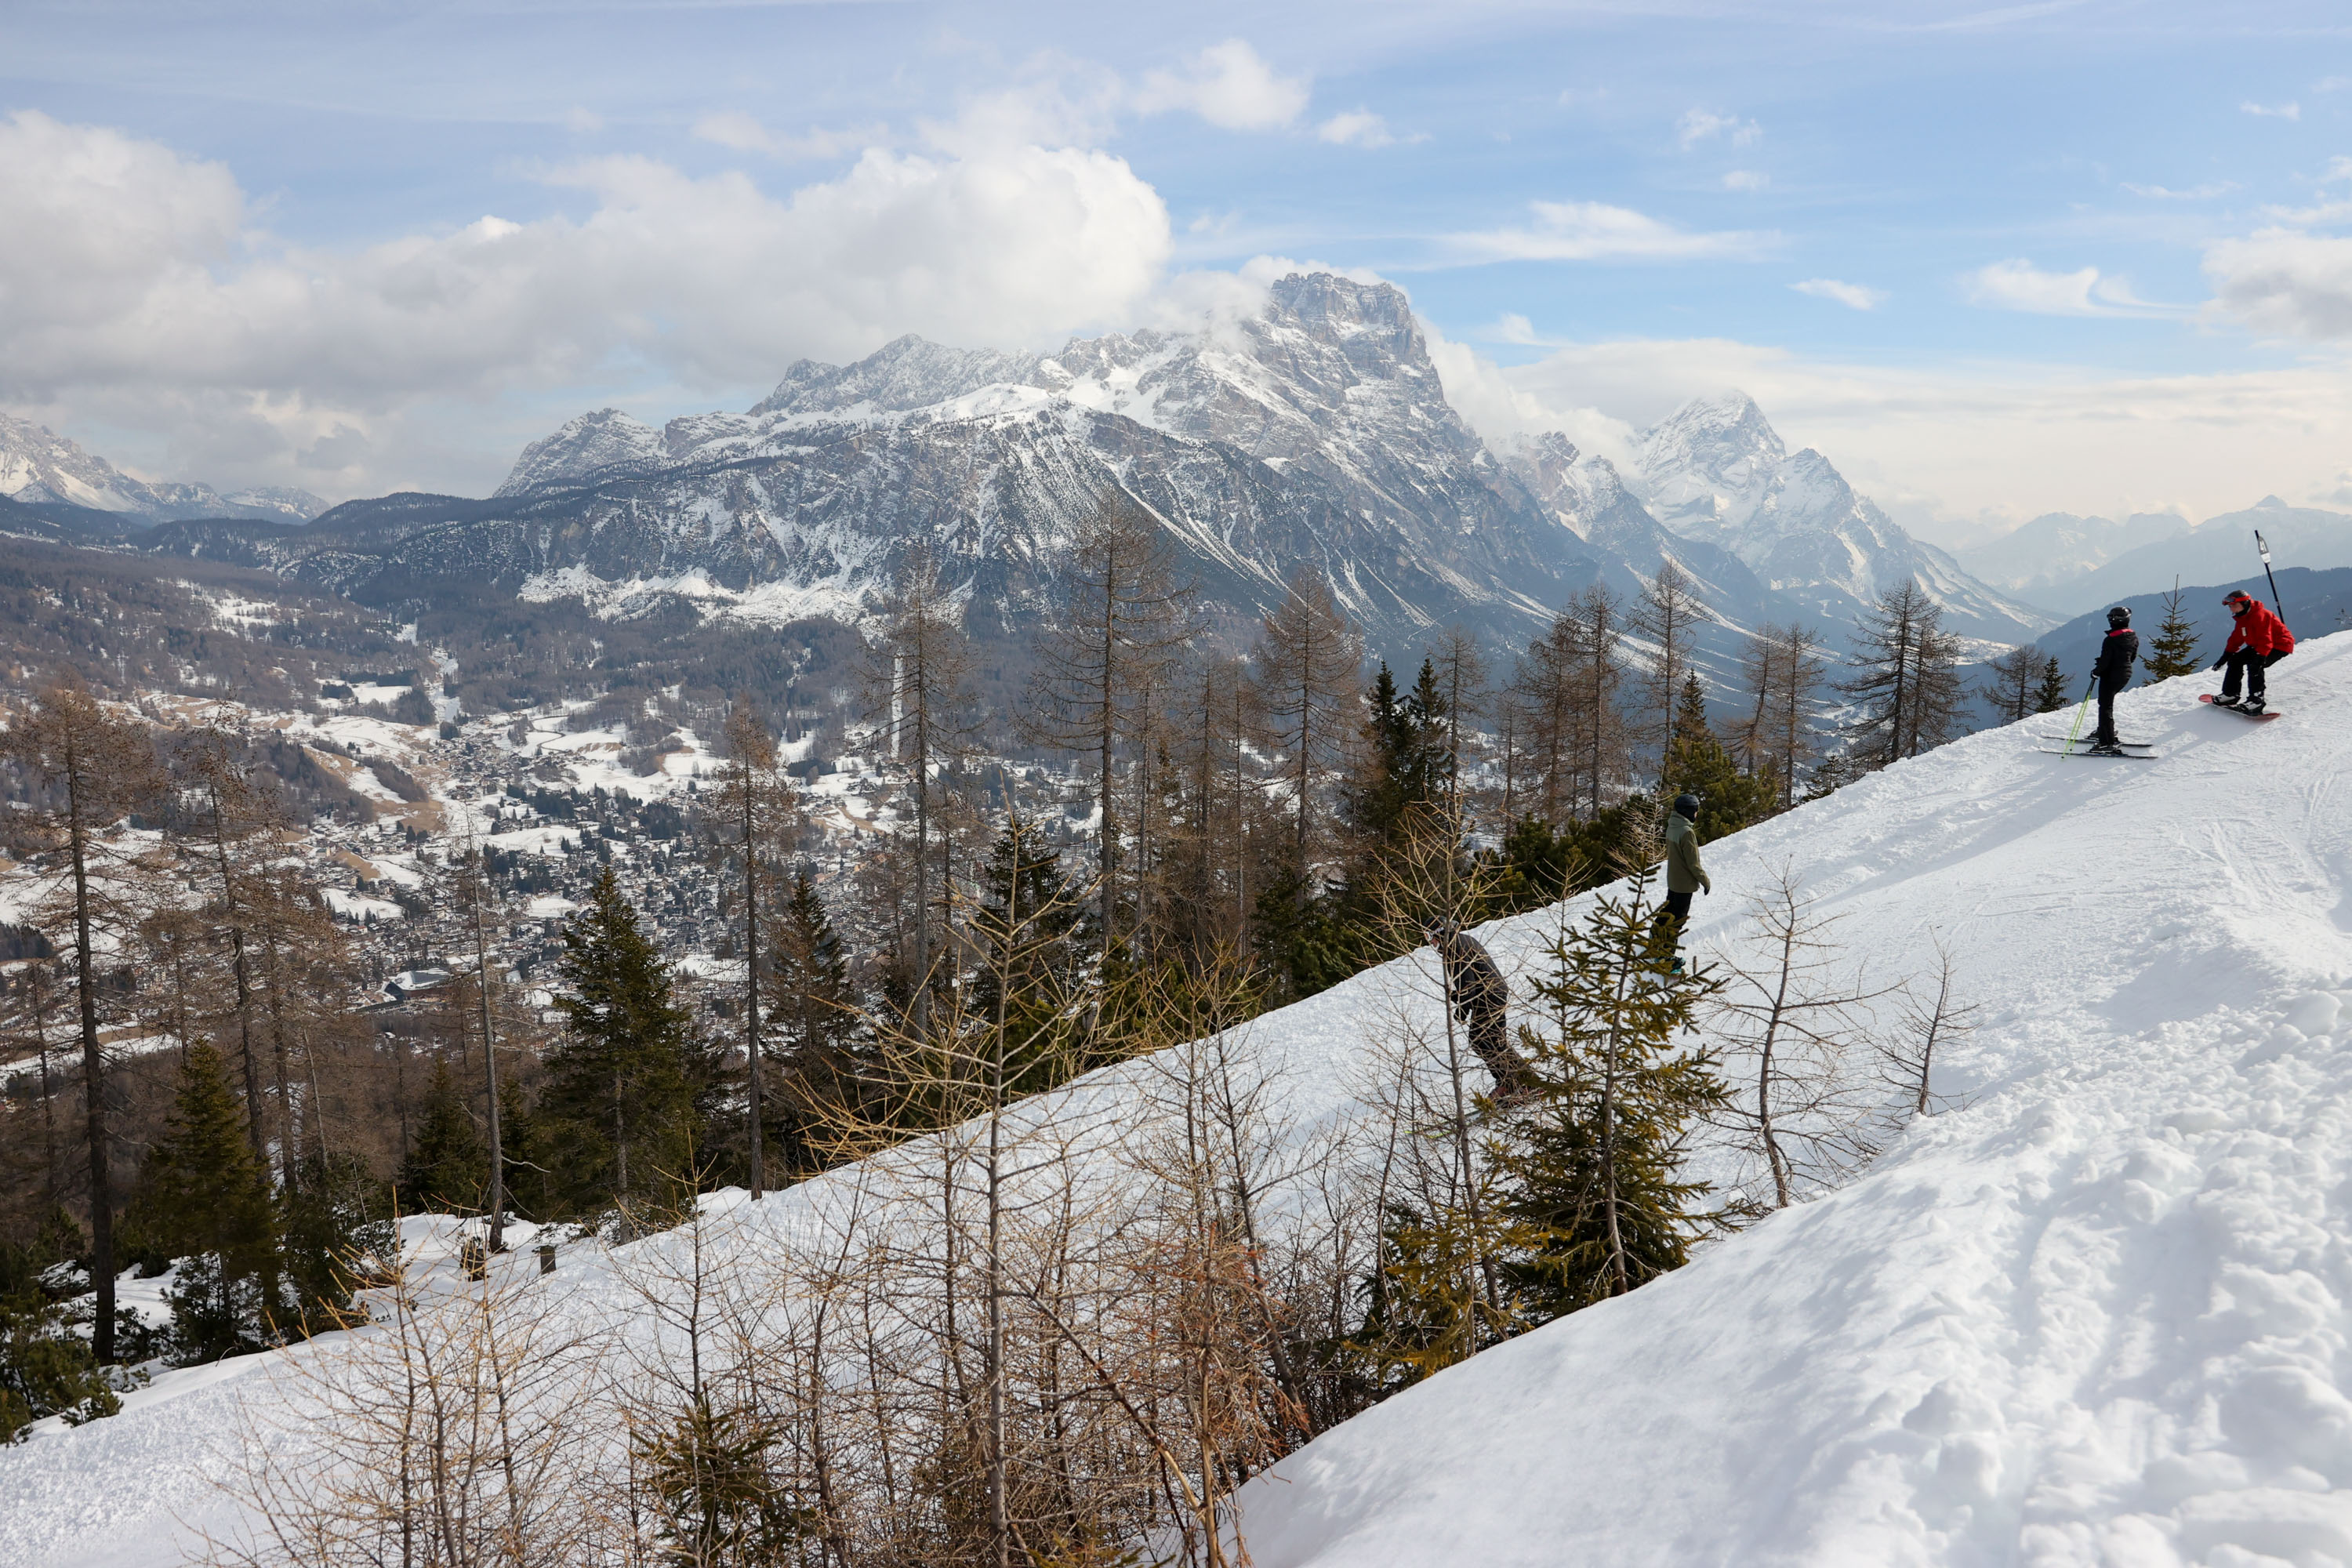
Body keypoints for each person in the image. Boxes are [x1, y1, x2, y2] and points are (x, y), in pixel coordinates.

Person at [1428, 922, 1534, 1100]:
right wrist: (1456, 998)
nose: (1430, 942)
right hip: (1488, 995)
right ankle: (1509, 1081)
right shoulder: (1459, 943)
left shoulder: (1456, 949)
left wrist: (1461, 1012)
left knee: (1488, 1040)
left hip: (1489, 995)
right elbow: (1469, 986)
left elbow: (1468, 988)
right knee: (1485, 1040)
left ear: (1439, 934)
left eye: (1430, 937)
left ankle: (1524, 1082)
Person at [2213, 589, 2294, 713]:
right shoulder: (2242, 617)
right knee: (2235, 660)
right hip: (2259, 644)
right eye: (2230, 606)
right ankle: (2230, 694)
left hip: (2280, 645)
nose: (2231, 608)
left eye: (2234, 605)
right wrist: (2226, 656)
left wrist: (2260, 658)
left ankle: (2256, 701)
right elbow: (2236, 638)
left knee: (2255, 665)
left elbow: (2266, 639)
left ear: (2245, 604)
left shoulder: (2260, 615)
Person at [1657, 793, 1711, 971]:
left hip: (1673, 879)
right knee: (1677, 921)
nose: (1696, 814)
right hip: (1683, 884)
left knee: (1668, 910)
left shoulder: (1673, 826)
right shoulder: (1687, 832)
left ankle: (1654, 939)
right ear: (1689, 811)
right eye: (1696, 811)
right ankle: (1667, 960)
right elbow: (1693, 863)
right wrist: (1705, 881)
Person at [2086, 606, 2139, 756]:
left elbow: (2105, 663)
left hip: (2110, 676)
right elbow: (2132, 657)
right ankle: (2105, 732)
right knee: (2107, 705)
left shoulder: (2111, 640)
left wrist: (2096, 672)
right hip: (2125, 675)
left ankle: (2106, 742)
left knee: (2105, 707)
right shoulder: (2132, 636)